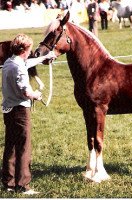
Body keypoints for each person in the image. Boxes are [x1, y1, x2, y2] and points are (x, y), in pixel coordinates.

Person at [1, 34, 56, 195]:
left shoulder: (9, 63)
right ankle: (23, 185)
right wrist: (37, 95)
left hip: (9, 110)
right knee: (24, 147)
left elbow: (27, 63)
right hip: (20, 112)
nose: (31, 51)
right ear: (25, 49)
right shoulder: (18, 68)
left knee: (10, 146)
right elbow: (26, 92)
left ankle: (9, 181)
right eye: (30, 48)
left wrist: (45, 57)